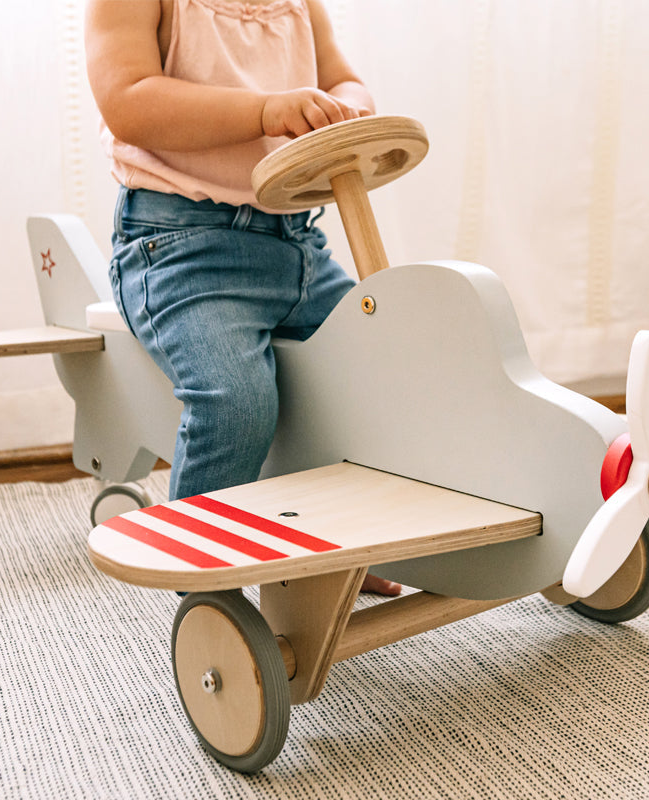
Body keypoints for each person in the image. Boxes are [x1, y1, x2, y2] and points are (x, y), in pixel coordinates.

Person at [85, 0, 400, 595]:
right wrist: (264, 110)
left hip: (298, 245)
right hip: (182, 250)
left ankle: (344, 538)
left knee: (381, 371)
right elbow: (128, 102)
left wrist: (346, 108)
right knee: (236, 401)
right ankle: (207, 583)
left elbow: (343, 79)